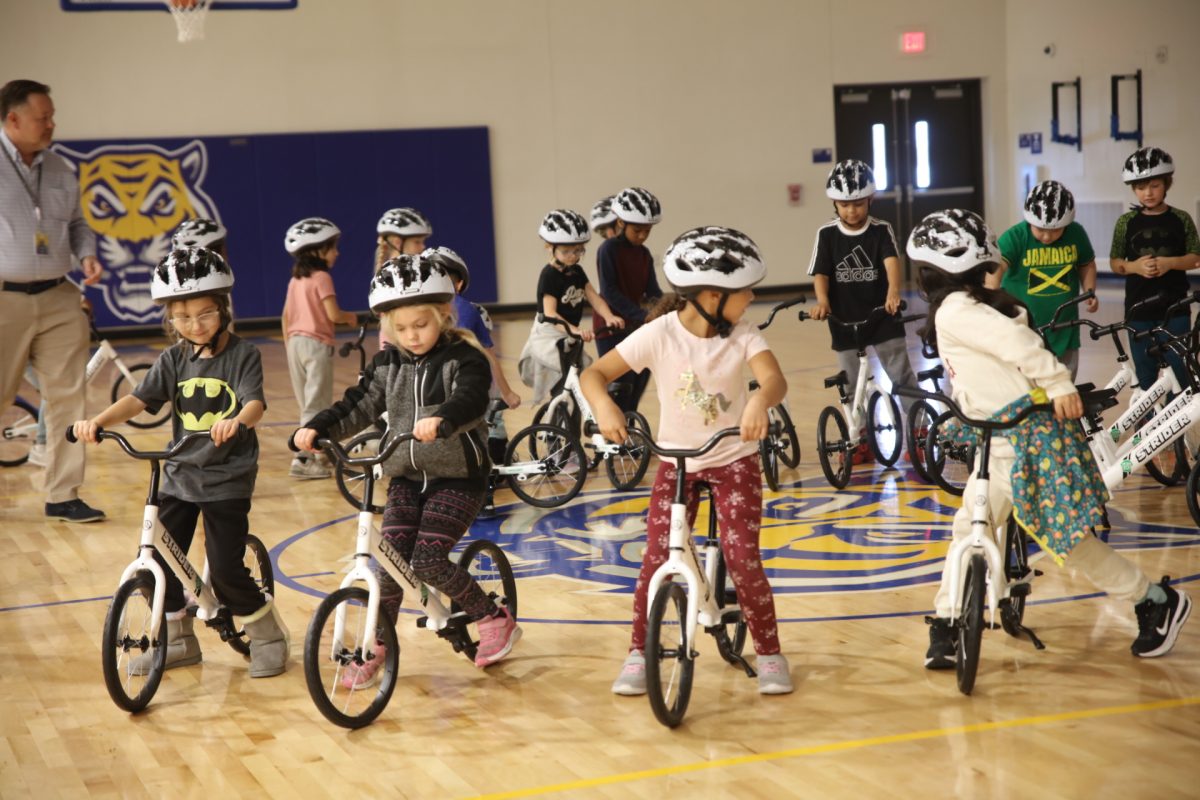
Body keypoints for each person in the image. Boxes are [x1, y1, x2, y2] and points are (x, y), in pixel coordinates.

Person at [908, 209, 1191, 667]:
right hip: (997, 440)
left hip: (1023, 440)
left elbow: (1019, 345)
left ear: (931, 273)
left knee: (1066, 539)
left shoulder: (960, 310)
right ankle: (947, 620)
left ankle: (1154, 600)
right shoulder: (978, 305)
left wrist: (1059, 383)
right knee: (970, 526)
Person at [581, 226, 794, 695]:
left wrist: (760, 400)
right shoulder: (659, 334)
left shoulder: (742, 333)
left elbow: (773, 377)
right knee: (656, 558)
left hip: (733, 458)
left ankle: (770, 652)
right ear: (712, 296)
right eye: (745, 292)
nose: (752, 298)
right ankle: (640, 651)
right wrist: (604, 405)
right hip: (677, 463)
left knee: (742, 557)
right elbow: (593, 374)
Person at [293, 254, 521, 674]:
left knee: (426, 561)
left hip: (457, 478)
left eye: (422, 325)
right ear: (387, 328)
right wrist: (317, 429)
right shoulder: (387, 363)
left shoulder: (463, 358)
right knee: (389, 562)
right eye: (401, 329)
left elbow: (471, 396)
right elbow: (357, 405)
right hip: (405, 477)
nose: (412, 336)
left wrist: (444, 419)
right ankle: (376, 646)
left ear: (444, 315)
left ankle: (492, 618)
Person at [71, 247, 290, 678]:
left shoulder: (242, 356)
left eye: (204, 315)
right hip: (179, 473)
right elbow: (139, 399)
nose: (194, 325)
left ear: (223, 309)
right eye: (182, 317)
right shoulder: (174, 359)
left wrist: (236, 422)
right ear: (170, 318)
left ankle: (268, 637)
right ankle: (179, 642)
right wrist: (97, 421)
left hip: (226, 477)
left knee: (225, 571)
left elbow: (255, 403)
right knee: (159, 563)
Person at [0, 79, 105, 522]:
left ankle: (63, 494)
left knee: (68, 397)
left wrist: (86, 253)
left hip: (59, 296)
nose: (51, 124)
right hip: (5, 298)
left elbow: (78, 223)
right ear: (13, 120)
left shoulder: (61, 167)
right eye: (43, 117)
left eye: (51, 116)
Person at [806, 159, 916, 463]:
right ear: (834, 203)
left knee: (901, 375)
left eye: (857, 204)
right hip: (844, 319)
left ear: (870, 199)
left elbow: (891, 262)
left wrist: (893, 292)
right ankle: (861, 438)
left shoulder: (881, 230)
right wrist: (822, 301)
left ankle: (919, 434)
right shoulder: (826, 234)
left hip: (881, 315)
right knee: (851, 384)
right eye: (844, 204)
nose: (851, 211)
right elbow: (821, 273)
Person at [1109, 146, 1200, 390]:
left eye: (1154, 186)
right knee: (1145, 375)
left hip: (1175, 308)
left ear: (1166, 183)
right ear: (1133, 189)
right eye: (1140, 187)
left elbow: (1195, 257)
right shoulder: (1126, 222)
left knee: (1180, 372)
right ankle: (1146, 424)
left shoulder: (1181, 219)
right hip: (1138, 310)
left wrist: (1170, 263)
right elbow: (1115, 262)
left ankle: (1175, 428)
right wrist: (1134, 267)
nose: (1147, 193)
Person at [423, 246, 520, 475]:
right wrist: (506, 393)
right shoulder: (452, 309)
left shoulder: (461, 310)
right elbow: (489, 357)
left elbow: (486, 356)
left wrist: (506, 393)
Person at [989, 180, 1098, 378]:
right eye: (1040, 230)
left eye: (1056, 230)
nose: (1047, 237)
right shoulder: (1015, 237)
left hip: (1064, 327)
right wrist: (992, 299)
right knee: (1027, 390)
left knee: (1064, 386)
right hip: (1023, 328)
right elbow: (995, 270)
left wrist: (1089, 290)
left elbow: (1086, 264)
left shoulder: (1076, 234)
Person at [518, 209, 624, 405]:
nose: (573, 256)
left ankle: (571, 427)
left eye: (578, 250)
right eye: (566, 251)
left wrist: (609, 316)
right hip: (549, 334)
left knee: (576, 383)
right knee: (562, 386)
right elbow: (550, 313)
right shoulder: (549, 275)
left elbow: (594, 297)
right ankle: (554, 433)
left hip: (569, 334)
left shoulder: (577, 271)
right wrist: (576, 330)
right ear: (550, 247)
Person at [281, 217, 357, 479]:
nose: (337, 252)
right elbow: (333, 314)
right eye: (333, 247)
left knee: (307, 403)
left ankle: (319, 453)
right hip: (316, 345)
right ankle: (302, 460)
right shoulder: (322, 277)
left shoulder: (295, 280)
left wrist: (290, 342)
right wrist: (351, 317)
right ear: (317, 251)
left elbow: (285, 317)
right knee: (318, 405)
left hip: (294, 344)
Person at [593, 187, 664, 413]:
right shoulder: (608, 250)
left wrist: (669, 309)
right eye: (637, 230)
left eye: (647, 231)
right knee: (620, 390)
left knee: (637, 388)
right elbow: (610, 291)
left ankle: (629, 440)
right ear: (621, 223)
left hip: (637, 326)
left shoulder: (644, 254)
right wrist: (643, 315)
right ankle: (614, 442)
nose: (642, 236)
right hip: (611, 327)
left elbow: (652, 291)